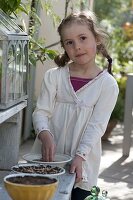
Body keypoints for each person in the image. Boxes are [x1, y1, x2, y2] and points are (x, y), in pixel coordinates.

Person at [32, 10, 119, 200]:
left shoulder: (107, 85)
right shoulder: (54, 76)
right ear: (64, 46)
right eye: (69, 42)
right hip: (48, 161)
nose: (77, 46)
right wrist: (44, 134)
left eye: (82, 38)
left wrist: (79, 157)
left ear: (96, 39)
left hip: (84, 163)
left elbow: (97, 126)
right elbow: (41, 112)